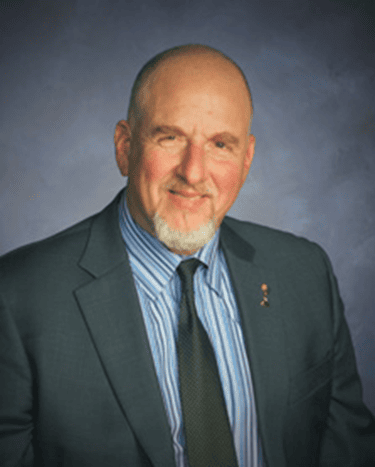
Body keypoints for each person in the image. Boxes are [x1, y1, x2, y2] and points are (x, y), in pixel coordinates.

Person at [0, 44, 374, 467]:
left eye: (220, 144)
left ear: (247, 159)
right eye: (170, 137)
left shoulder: (305, 273)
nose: (194, 172)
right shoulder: (17, 298)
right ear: (125, 147)